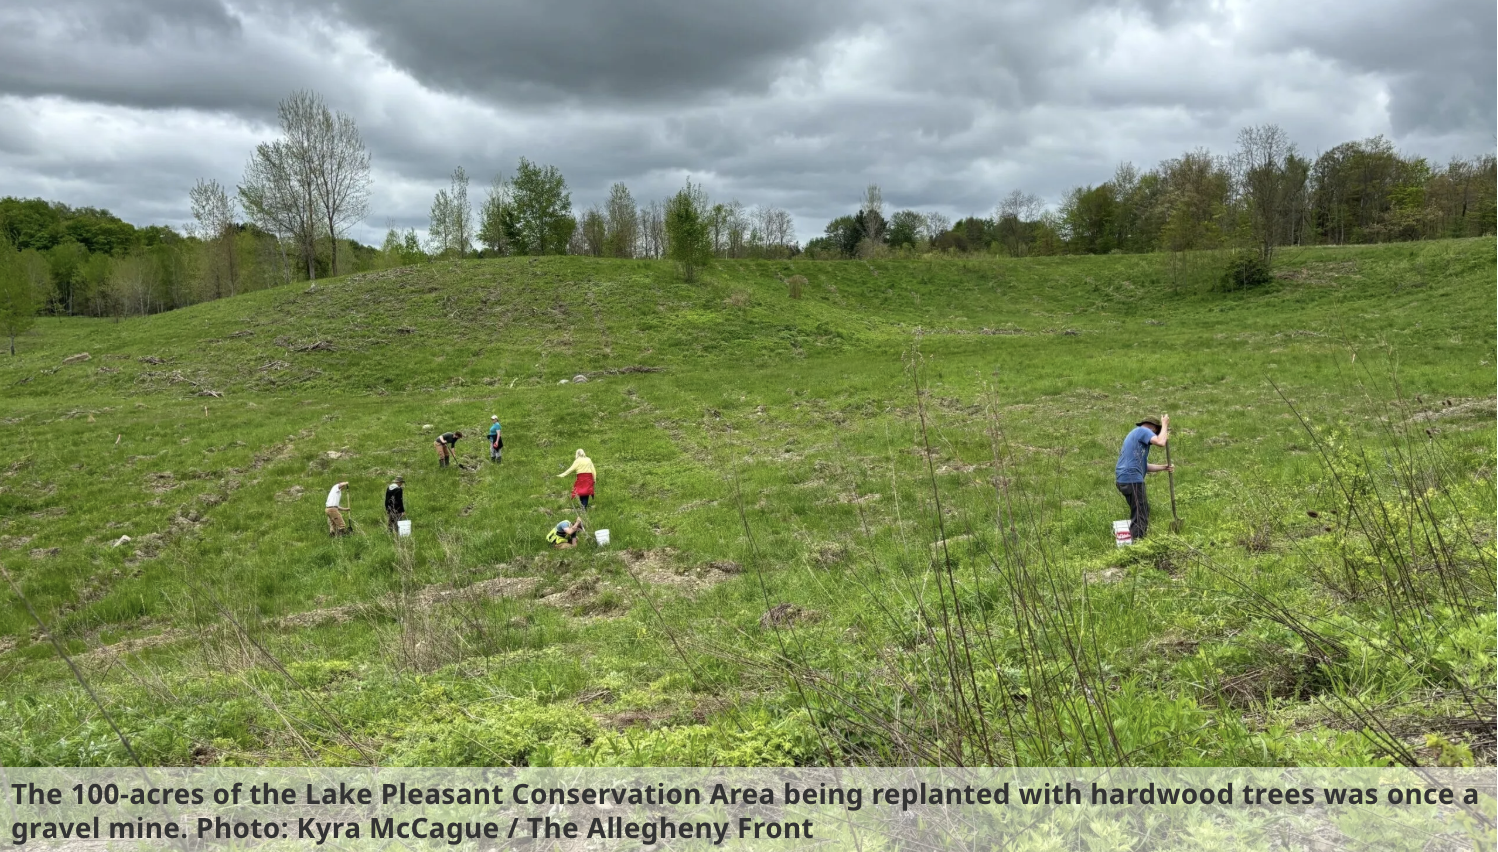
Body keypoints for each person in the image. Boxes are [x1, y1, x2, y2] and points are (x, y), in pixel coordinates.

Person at [1115, 414, 1172, 541]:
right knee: (1141, 513)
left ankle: (1132, 541)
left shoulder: (1136, 435)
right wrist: (1165, 424)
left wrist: (1164, 467)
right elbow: (1161, 442)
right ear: (1154, 429)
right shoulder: (1143, 431)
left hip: (1125, 478)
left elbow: (1143, 465)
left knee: (1140, 510)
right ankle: (1137, 545)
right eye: (1157, 432)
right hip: (1132, 479)